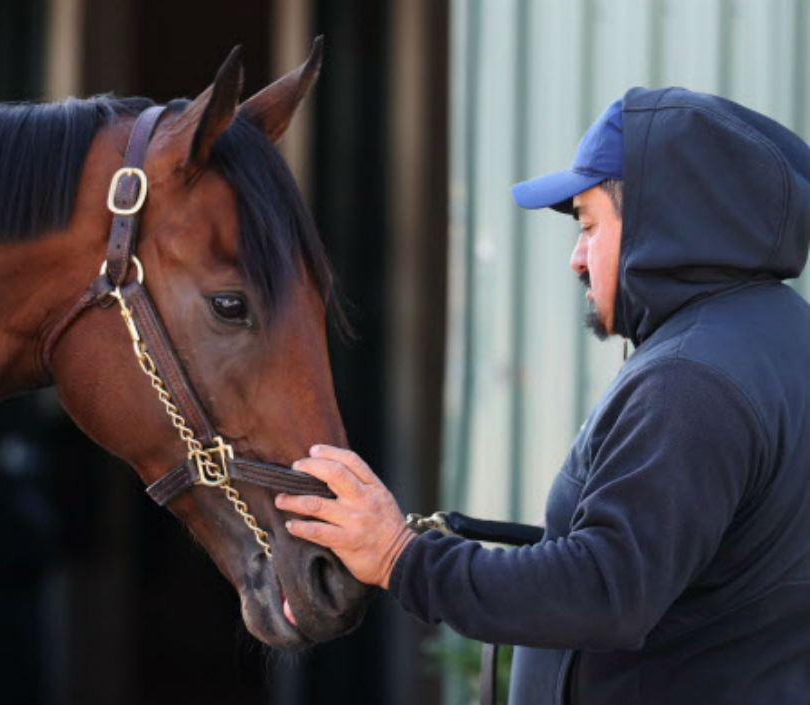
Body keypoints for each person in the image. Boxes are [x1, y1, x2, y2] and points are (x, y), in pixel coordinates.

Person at [275, 86, 810, 705]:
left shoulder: (688, 381)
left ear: (661, 223)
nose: (576, 258)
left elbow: (605, 591)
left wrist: (401, 556)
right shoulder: (776, 344)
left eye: (588, 225)